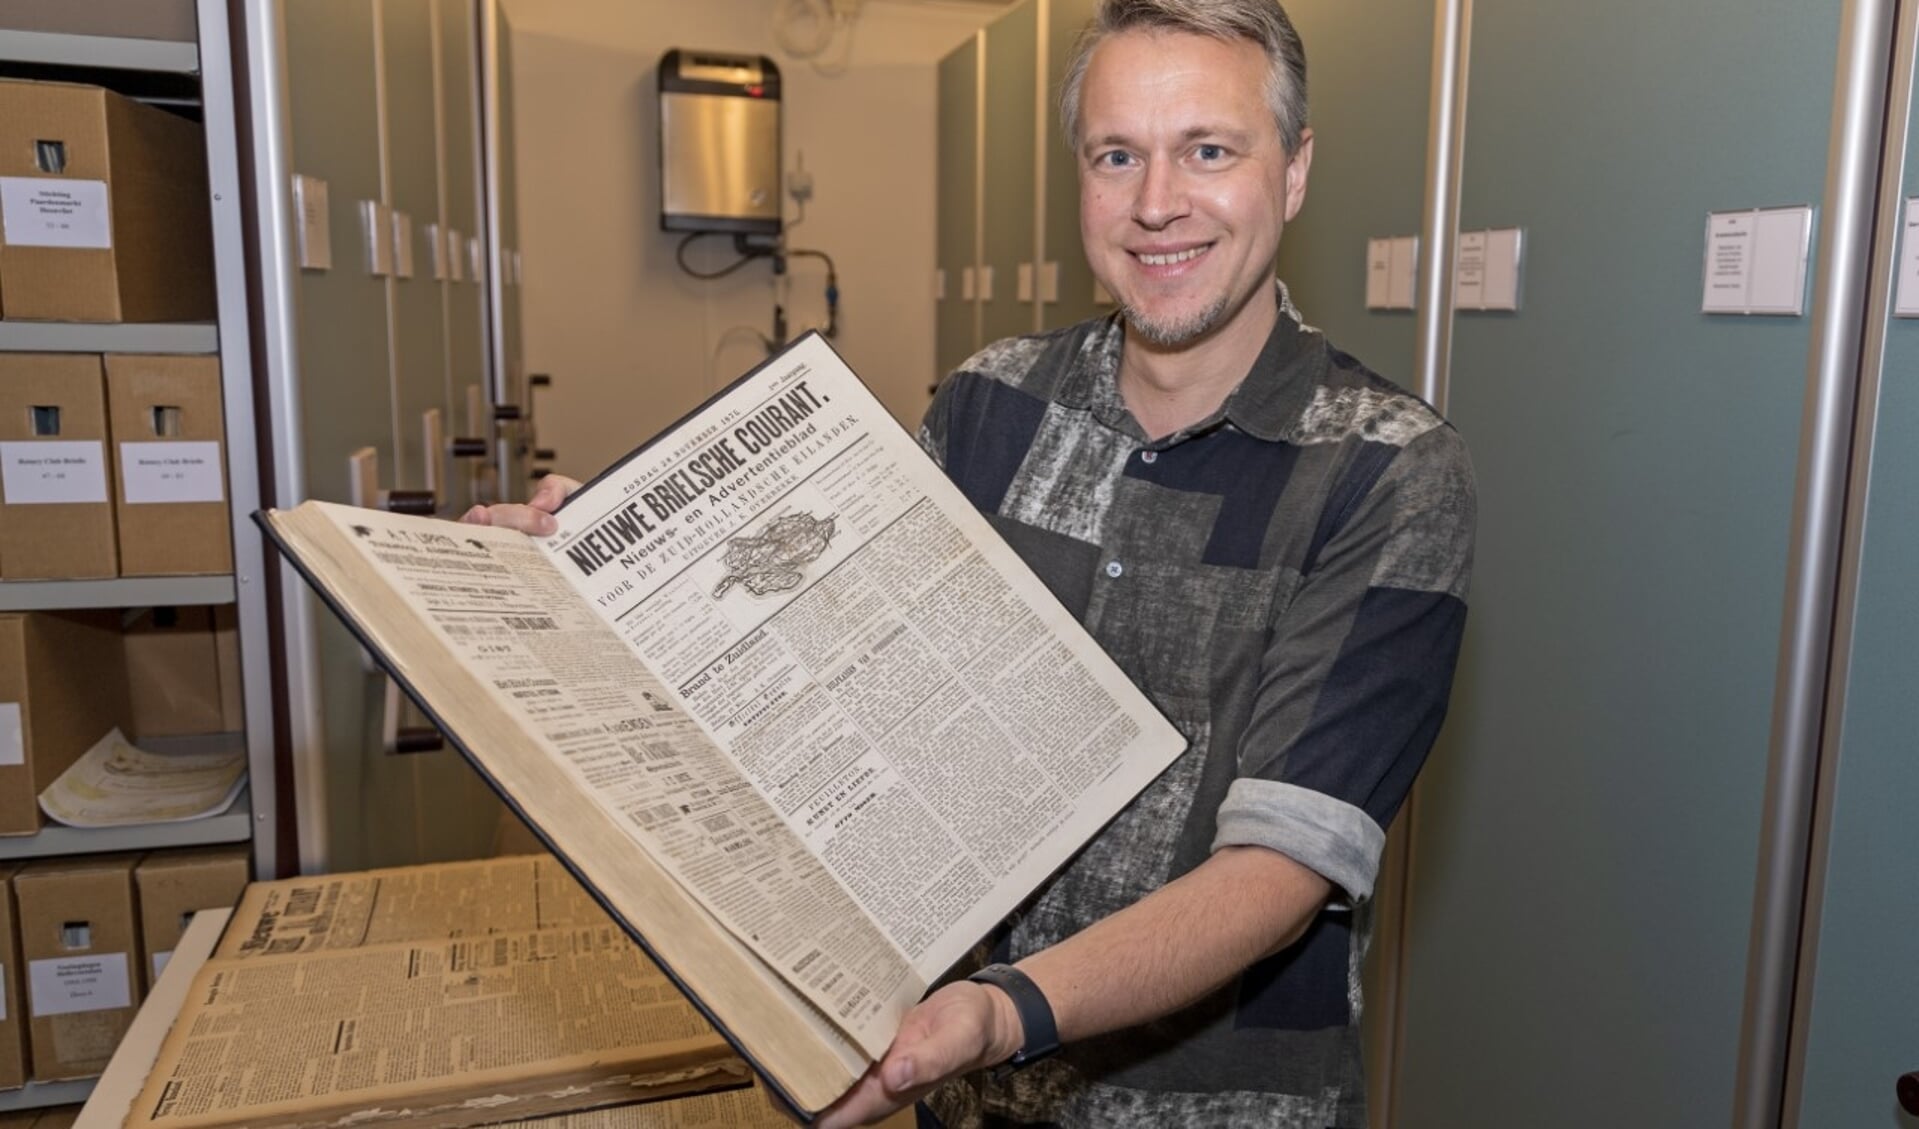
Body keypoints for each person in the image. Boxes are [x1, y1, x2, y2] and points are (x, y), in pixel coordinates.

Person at [471, 1, 1473, 1124]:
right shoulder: (993, 403)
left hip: (1214, 1100)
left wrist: (999, 1013)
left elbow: (1275, 873)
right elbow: (820, 619)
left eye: (1207, 149)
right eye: (1115, 155)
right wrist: (600, 567)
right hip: (972, 1099)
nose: (1155, 204)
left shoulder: (1384, 472)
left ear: (1291, 171)